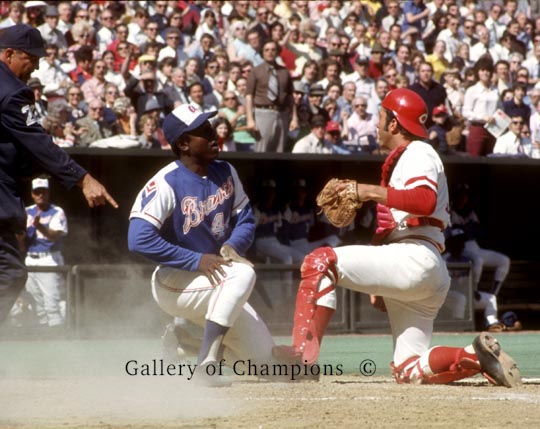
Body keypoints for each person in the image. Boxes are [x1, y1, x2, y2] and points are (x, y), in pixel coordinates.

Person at [273, 88, 521, 388]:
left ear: (393, 123)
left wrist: (367, 191)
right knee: (408, 369)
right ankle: (474, 355)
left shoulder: (419, 151)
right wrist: (379, 285)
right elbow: (399, 220)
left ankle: (302, 358)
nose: (377, 124)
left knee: (319, 260)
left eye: (380, 116)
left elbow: (424, 200)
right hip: (420, 266)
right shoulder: (407, 158)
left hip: (415, 257)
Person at [127, 104, 279, 383]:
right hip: (176, 280)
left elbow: (245, 218)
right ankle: (206, 364)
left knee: (268, 364)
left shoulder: (226, 171)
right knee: (244, 273)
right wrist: (195, 260)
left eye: (211, 128)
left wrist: (233, 245)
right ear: (183, 143)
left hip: (216, 278)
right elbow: (138, 239)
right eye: (203, 131)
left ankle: (188, 343)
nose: (213, 135)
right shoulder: (165, 182)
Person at [0, 24, 117, 325]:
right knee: (10, 273)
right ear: (9, 53)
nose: (37, 64)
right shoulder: (12, 91)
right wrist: (83, 178)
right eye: (31, 57)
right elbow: (38, 143)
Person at [23, 177, 68, 327]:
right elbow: (21, 240)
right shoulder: (27, 211)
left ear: (48, 193)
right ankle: (42, 339)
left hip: (49, 259)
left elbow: (54, 236)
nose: (40, 195)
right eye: (37, 192)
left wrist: (39, 225)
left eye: (43, 192)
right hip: (30, 259)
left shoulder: (56, 211)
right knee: (36, 305)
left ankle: (58, 338)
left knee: (51, 304)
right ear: (32, 194)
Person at [246, 40, 293, 153]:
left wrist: (294, 117)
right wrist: (250, 119)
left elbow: (290, 96)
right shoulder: (256, 71)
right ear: (262, 52)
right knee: (262, 148)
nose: (270, 52)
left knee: (279, 149)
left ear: (277, 52)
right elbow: (249, 96)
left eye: (273, 50)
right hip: (262, 113)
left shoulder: (284, 72)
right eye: (266, 50)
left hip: (281, 114)